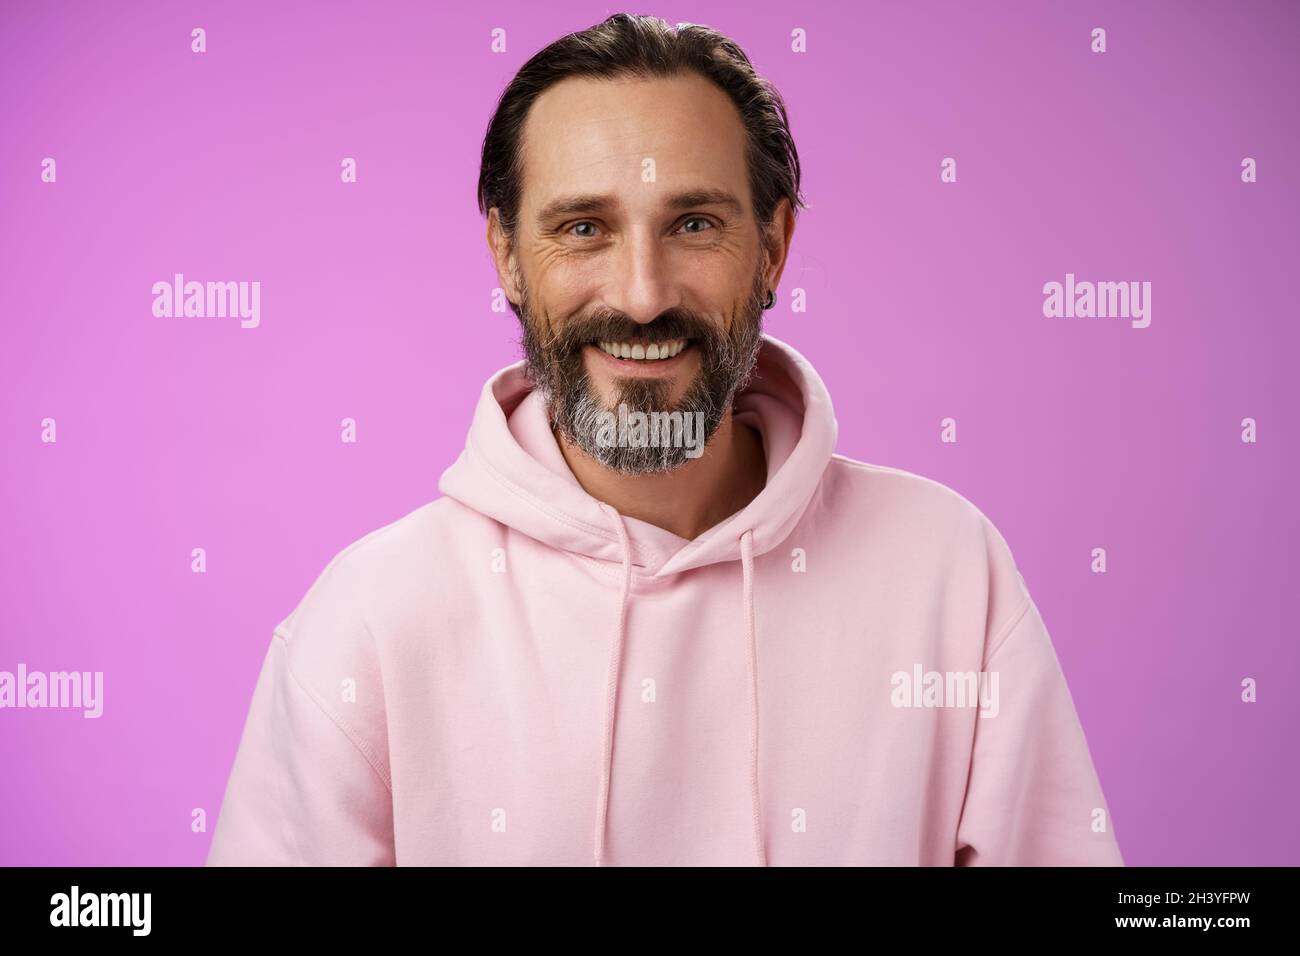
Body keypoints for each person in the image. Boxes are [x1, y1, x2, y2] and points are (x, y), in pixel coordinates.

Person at [206, 14, 1123, 866]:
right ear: (506, 255)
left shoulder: (950, 571)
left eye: (694, 224)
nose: (642, 295)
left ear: (773, 249)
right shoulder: (368, 618)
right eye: (584, 229)